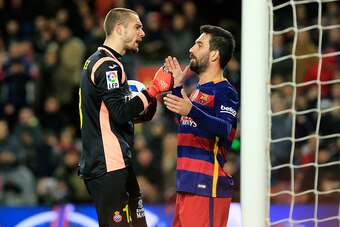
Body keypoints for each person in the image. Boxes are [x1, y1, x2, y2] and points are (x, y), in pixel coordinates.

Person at [78, 8, 174, 227]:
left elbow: (110, 114)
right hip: (108, 164)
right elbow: (120, 113)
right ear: (119, 29)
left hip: (116, 162)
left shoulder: (101, 61)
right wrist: (152, 90)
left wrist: (141, 110)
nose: (143, 33)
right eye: (137, 27)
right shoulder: (108, 66)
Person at [163, 25, 239, 227]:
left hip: (207, 185)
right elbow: (189, 125)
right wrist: (178, 87)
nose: (191, 49)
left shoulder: (225, 91)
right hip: (187, 183)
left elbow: (224, 127)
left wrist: (191, 110)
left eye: (199, 44)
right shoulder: (197, 91)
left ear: (214, 55)